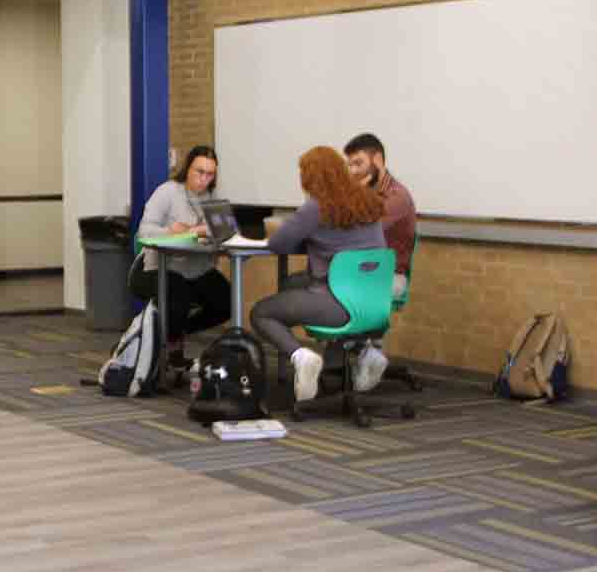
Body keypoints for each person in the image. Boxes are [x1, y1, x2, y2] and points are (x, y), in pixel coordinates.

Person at [249, 146, 388, 404]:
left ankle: (301, 356)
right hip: (374, 303)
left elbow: (277, 244)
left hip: (338, 304)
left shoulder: (316, 208)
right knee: (291, 283)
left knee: (261, 312)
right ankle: (362, 351)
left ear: (310, 178)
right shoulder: (368, 201)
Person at [132, 146, 232, 366]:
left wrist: (219, 236)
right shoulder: (168, 192)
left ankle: (176, 331)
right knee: (178, 295)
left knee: (227, 301)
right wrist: (175, 231)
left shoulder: (213, 198)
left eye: (210, 174)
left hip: (198, 269)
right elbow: (144, 231)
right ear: (187, 169)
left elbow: (226, 231)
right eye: (199, 172)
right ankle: (170, 341)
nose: (204, 179)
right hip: (161, 268)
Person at [343, 132, 419, 391]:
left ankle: (370, 351)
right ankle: (359, 352)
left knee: (340, 291)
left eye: (358, 163)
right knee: (311, 283)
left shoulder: (396, 196)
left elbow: (359, 226)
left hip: (390, 278)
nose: (352, 171)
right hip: (360, 273)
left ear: (378, 160)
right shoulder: (364, 192)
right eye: (349, 165)